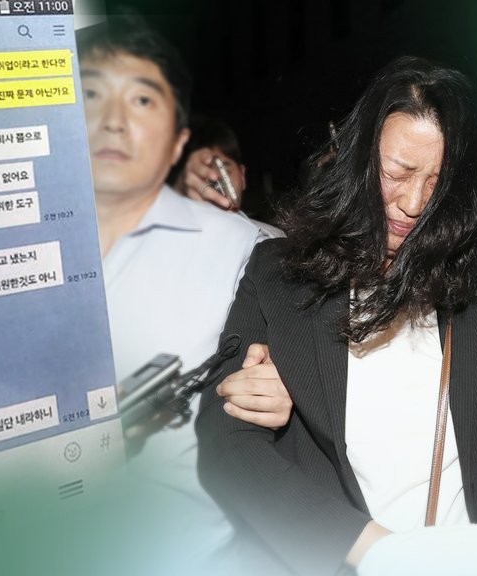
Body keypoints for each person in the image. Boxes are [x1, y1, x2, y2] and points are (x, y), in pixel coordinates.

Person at [197, 56, 477, 576]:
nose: (413, 203)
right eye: (397, 173)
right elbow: (228, 446)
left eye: (438, 182)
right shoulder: (279, 275)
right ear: (358, 160)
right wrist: (376, 551)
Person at [77, 14, 290, 573]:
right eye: (91, 93)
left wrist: (287, 386)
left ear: (177, 141)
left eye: (142, 100)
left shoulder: (241, 248)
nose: (113, 121)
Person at [174, 116, 284, 238]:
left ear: (242, 176)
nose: (217, 182)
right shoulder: (172, 236)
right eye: (204, 174)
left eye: (224, 171)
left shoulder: (274, 237)